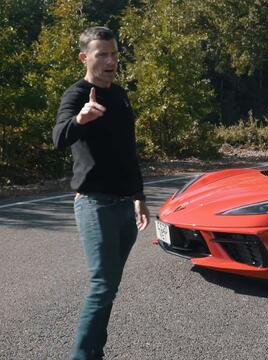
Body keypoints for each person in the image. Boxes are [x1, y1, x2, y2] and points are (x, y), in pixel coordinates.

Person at [52, 26, 150, 360]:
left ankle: (95, 352)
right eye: (102, 55)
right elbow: (58, 136)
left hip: (124, 206)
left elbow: (128, 151)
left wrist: (139, 197)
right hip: (95, 205)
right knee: (102, 285)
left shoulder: (120, 95)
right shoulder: (77, 93)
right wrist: (79, 119)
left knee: (109, 288)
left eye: (114, 54)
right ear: (85, 57)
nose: (111, 61)